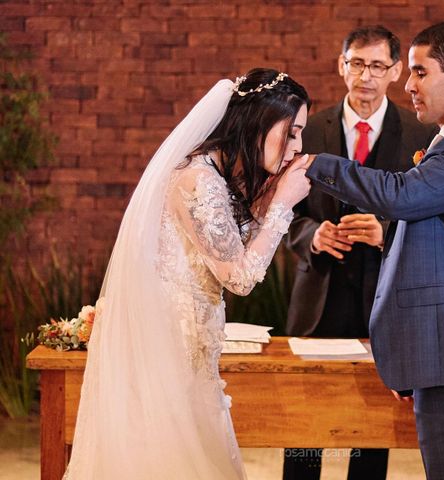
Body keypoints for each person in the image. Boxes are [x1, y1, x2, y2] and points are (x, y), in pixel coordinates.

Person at [64, 69, 311, 480]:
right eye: (292, 132)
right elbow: (240, 277)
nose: (296, 147)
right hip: (171, 356)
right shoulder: (198, 181)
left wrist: (267, 201)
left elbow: (233, 249)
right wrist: (282, 205)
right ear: (258, 122)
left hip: (194, 358)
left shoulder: (214, 176)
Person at [304, 22, 444, 480]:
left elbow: (403, 196)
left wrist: (311, 164)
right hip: (443, 345)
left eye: (419, 72)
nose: (407, 84)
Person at [283, 25, 435, 480]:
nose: (364, 76)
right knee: (304, 430)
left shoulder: (418, 133)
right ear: (341, 66)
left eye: (376, 66)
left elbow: (429, 212)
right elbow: (278, 213)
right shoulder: (308, 130)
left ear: (394, 71)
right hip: (319, 297)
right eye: (356, 63)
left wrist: (386, 230)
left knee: (371, 437)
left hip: (384, 302)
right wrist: (311, 233)